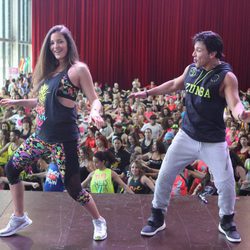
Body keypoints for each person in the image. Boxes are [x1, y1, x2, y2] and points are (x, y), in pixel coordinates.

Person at [129, 31, 250, 243]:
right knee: (165, 174)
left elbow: (234, 103)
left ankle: (227, 222)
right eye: (194, 49)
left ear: (212, 53)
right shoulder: (191, 69)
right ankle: (157, 217)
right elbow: (174, 84)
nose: (194, 54)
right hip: (186, 135)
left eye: (199, 50)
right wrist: (147, 93)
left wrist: (241, 113)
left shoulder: (226, 76)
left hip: (213, 141)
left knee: (226, 183)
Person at [0, 25, 107, 241]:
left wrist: (95, 113)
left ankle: (98, 220)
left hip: (63, 139)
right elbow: (41, 102)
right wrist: (17, 102)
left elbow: (93, 98)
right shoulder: (49, 73)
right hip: (40, 136)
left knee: (74, 188)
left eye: (60, 41)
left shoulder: (77, 69)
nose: (55, 46)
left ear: (68, 44)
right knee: (11, 168)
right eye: (52, 43)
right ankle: (19, 216)